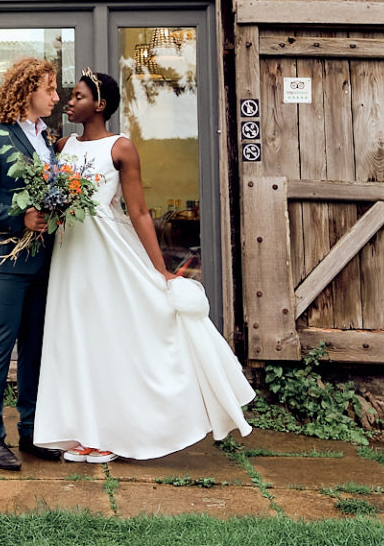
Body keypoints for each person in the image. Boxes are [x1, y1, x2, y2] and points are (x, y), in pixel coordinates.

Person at [33, 68, 254, 462]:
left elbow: (137, 211)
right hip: (70, 255)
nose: (69, 102)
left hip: (108, 253)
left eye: (78, 97)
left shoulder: (121, 148)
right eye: (69, 95)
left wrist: (160, 269)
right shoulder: (63, 145)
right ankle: (83, 430)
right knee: (78, 339)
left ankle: (119, 432)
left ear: (99, 105)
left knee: (112, 336)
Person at [0, 56, 67, 471]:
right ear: (26, 92)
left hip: (45, 262)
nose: (56, 97)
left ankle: (31, 430)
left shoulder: (48, 140)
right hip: (6, 261)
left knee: (36, 349)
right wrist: (17, 216)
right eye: (50, 89)